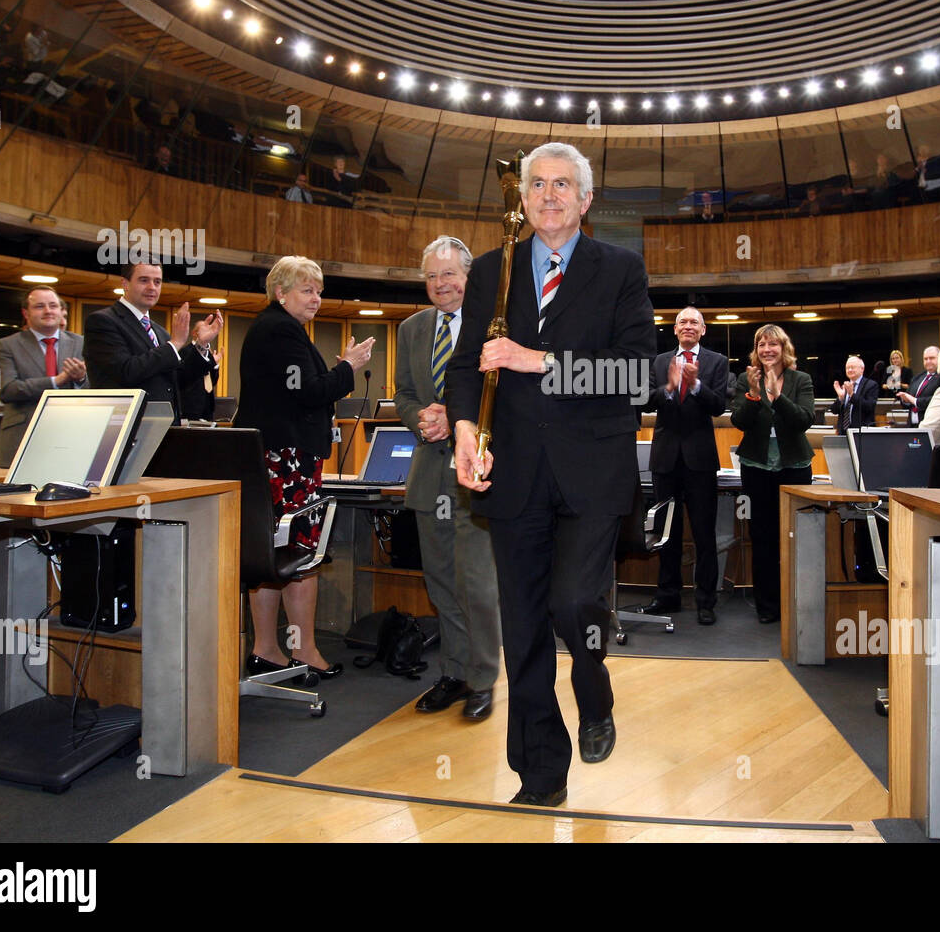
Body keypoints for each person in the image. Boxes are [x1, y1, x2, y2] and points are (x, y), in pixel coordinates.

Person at [447, 141, 654, 808]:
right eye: (537, 184)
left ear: (586, 200)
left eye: (564, 184)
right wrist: (462, 435)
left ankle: (594, 693)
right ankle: (542, 773)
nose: (549, 194)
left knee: (571, 603)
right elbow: (464, 369)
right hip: (513, 473)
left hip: (594, 471)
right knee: (524, 625)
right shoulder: (489, 271)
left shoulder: (620, 269)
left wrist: (535, 360)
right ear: (523, 199)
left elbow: (636, 373)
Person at [233, 256, 374, 679]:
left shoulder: (274, 328)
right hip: (287, 462)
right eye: (307, 290)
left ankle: (268, 650)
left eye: (319, 290)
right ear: (281, 293)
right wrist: (348, 367)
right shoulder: (280, 330)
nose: (316, 298)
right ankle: (306, 651)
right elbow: (310, 392)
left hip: (272, 460)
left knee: (271, 556)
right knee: (300, 555)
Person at [394, 236, 500, 719]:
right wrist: (421, 417)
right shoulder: (413, 329)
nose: (441, 284)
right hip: (426, 474)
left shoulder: (492, 325)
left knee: (475, 584)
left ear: (468, 276)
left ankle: (483, 679)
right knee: (439, 584)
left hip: (474, 472)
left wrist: (452, 414)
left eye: (449, 274)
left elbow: (506, 393)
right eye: (432, 276)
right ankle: (454, 673)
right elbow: (403, 393)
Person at [643, 306, 728, 626]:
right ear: (675, 329)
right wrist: (669, 387)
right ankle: (668, 596)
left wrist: (693, 386)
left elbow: (719, 404)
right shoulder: (660, 361)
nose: (688, 326)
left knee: (704, 533)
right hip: (665, 459)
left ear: (703, 330)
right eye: (683, 322)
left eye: (694, 322)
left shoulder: (717, 362)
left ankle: (706, 601)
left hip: (700, 460)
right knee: (667, 532)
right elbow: (646, 400)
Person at [729, 325, 815, 624]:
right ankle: (767, 606)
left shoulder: (800, 379)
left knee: (795, 537)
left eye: (773, 344)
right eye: (762, 344)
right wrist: (753, 396)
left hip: (794, 469)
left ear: (784, 348)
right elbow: (739, 421)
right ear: (756, 349)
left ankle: (797, 602)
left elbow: (804, 421)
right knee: (762, 538)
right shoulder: (745, 379)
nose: (767, 350)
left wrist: (778, 397)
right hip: (757, 470)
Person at [84, 260, 220, 421]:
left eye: (157, 282)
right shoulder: (102, 321)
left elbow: (175, 382)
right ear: (125, 284)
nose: (152, 287)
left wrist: (200, 345)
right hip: (124, 425)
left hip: (164, 428)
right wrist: (174, 344)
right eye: (144, 280)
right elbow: (126, 371)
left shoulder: (159, 332)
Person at [0, 286, 87, 467]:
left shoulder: (81, 343)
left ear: (61, 311)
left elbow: (99, 390)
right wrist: (56, 382)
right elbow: (3, 390)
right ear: (26, 313)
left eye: (53, 305)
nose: (48, 311)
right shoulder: (4, 346)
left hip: (71, 438)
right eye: (40, 306)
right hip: (21, 439)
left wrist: (81, 379)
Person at [897, 346, 940, 424]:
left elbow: (938, 399)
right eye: (925, 359)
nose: (928, 361)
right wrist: (904, 399)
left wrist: (915, 401)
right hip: (912, 425)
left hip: (931, 425)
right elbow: (908, 397)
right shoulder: (917, 377)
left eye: (931, 358)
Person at [830, 355, 878, 432]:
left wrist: (852, 394)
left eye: (853, 367)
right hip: (843, 433)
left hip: (862, 433)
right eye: (847, 368)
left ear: (862, 369)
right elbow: (834, 410)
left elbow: (869, 407)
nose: (849, 370)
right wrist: (840, 398)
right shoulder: (845, 385)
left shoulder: (871, 385)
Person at [178, 346, 220, 421]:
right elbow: (183, 379)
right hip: (191, 405)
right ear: (195, 333)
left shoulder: (209, 354)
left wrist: (215, 365)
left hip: (208, 405)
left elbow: (212, 382)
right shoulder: (186, 351)